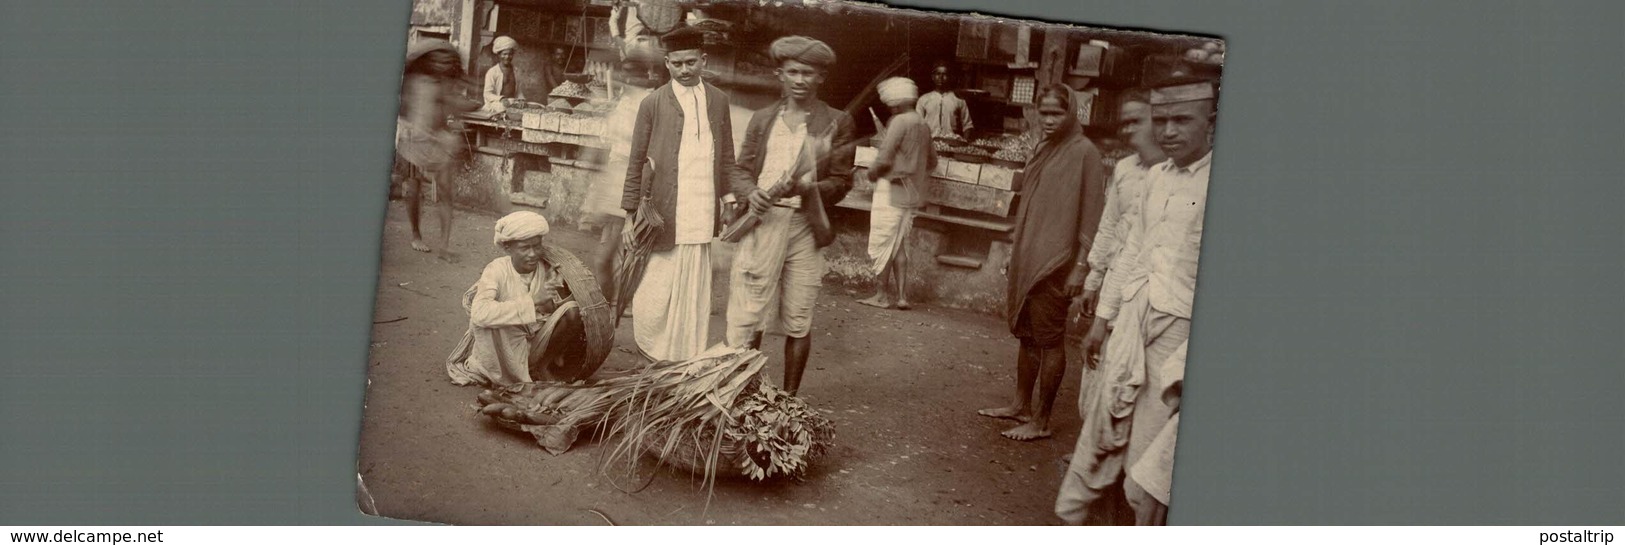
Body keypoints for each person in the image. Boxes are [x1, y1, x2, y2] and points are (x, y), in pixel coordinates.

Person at [1055, 75, 1216, 525]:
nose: (1168, 131)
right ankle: (1074, 520)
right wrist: (1102, 321)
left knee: (1147, 466)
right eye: (1161, 120)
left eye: (1182, 120)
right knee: (1100, 429)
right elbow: (1131, 254)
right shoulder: (1156, 178)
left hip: (1179, 331)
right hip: (1132, 319)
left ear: (1212, 122)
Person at [725, 35, 856, 395]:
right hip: (762, 222)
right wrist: (751, 193)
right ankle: (744, 393)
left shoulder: (836, 121)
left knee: (798, 317)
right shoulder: (763, 119)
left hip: (805, 226)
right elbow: (739, 169)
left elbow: (843, 182)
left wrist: (807, 188)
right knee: (751, 314)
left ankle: (787, 399)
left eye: (808, 73)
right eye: (793, 72)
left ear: (820, 78)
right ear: (779, 74)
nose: (800, 80)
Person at [977, 85, 1106, 441]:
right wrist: (1017, 250)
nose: (1048, 120)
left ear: (1072, 113)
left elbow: (1092, 215)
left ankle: (1042, 420)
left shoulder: (1085, 153)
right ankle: (1020, 404)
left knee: (1050, 340)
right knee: (1028, 335)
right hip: (1030, 255)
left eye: (1056, 113)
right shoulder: (1043, 147)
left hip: (1057, 262)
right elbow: (1033, 205)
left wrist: (1081, 267)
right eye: (1043, 112)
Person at [618, 26, 736, 362]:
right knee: (655, 289)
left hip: (700, 207)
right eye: (676, 64)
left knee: (693, 289)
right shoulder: (652, 103)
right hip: (663, 211)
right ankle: (654, 352)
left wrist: (728, 202)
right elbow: (636, 159)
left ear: (703, 60)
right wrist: (629, 214)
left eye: (690, 62)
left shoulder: (718, 101)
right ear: (666, 64)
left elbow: (726, 156)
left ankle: (684, 358)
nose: (684, 70)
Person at [1078, 89, 1167, 366]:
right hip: (1115, 278)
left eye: (1136, 121)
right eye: (1124, 123)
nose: (1128, 130)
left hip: (1150, 291)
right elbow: (1109, 225)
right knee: (1098, 367)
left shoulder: (1172, 172)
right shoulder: (1125, 168)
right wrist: (1093, 282)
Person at [444, 211, 577, 387]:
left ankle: (542, 365)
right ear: (508, 248)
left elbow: (553, 314)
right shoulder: (496, 270)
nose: (532, 254)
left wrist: (556, 294)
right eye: (524, 248)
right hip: (503, 348)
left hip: (535, 344)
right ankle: (506, 374)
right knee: (488, 320)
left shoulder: (546, 270)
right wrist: (533, 301)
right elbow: (479, 313)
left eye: (537, 246)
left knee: (573, 311)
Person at [396, 39, 479, 262]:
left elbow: (452, 105)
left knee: (446, 193)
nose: (442, 64)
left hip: (438, 141)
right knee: (413, 190)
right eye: (438, 60)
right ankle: (416, 234)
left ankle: (444, 246)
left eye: (446, 61)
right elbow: (404, 110)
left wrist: (474, 102)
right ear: (430, 61)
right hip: (414, 139)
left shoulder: (445, 83)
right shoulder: (413, 81)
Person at [858, 77, 935, 311]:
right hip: (912, 194)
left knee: (882, 242)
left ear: (897, 102)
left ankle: (881, 295)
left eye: (890, 103)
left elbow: (884, 157)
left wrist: (870, 174)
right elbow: (933, 161)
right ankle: (902, 297)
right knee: (900, 243)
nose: (889, 107)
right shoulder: (923, 124)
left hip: (890, 190)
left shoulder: (899, 121)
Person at [916, 61, 974, 140]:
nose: (941, 77)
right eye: (938, 74)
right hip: (929, 143)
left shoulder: (958, 99)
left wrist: (964, 142)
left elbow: (968, 125)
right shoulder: (924, 99)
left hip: (952, 144)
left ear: (950, 77)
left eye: (945, 74)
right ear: (933, 77)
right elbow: (917, 125)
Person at [482, 36, 527, 112]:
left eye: (510, 54)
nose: (507, 57)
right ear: (498, 55)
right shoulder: (492, 72)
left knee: (532, 106)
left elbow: (519, 91)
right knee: (502, 108)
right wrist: (501, 99)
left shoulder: (516, 71)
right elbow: (487, 94)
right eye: (504, 54)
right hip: (497, 104)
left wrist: (521, 100)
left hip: (512, 103)